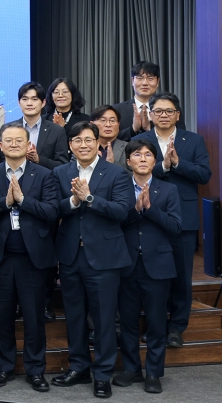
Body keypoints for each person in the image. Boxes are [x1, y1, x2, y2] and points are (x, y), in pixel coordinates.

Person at [51, 122, 132, 398]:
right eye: (77, 140)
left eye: (88, 139)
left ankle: (103, 373)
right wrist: (73, 202)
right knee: (74, 316)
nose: (83, 145)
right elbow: (54, 209)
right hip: (71, 255)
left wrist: (88, 198)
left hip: (104, 257)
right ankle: (79, 367)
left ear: (98, 143)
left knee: (103, 318)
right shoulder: (60, 172)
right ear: (70, 145)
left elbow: (122, 211)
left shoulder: (117, 173)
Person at [0, 125, 60, 393]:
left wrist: (23, 200)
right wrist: (6, 203)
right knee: (2, 316)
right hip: (2, 257)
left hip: (33, 258)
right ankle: (4, 368)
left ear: (29, 146)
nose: (14, 144)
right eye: (9, 140)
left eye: (19, 140)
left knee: (34, 317)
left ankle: (35, 370)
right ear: (0, 146)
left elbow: (52, 211)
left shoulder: (45, 174)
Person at [133, 92, 212, 348]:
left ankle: (177, 326)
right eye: (158, 111)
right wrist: (164, 167)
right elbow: (132, 171)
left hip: (183, 219)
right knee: (153, 276)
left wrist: (177, 164)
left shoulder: (194, 140)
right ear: (150, 115)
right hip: (147, 217)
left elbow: (204, 174)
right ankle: (155, 325)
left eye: (169, 111)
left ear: (178, 115)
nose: (164, 115)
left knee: (181, 275)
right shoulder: (139, 141)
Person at [113, 140, 182, 394]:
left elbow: (176, 227)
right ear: (128, 161)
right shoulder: (119, 188)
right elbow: (113, 222)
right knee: (128, 322)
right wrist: (135, 209)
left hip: (158, 265)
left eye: (148, 155)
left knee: (155, 322)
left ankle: (153, 372)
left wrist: (150, 209)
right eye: (137, 154)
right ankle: (132, 369)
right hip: (127, 264)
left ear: (155, 161)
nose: (142, 159)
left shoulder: (169, 189)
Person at [113, 61, 186, 141]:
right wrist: (133, 129)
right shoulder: (117, 110)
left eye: (150, 78)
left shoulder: (171, 109)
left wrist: (150, 129)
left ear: (158, 82)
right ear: (132, 81)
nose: (145, 83)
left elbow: (182, 138)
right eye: (140, 78)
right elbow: (110, 140)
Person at [10, 81, 70, 170]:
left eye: (34, 99)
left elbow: (62, 165)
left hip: (46, 178)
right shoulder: (9, 129)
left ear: (43, 103)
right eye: (25, 99)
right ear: (19, 102)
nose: (29, 103)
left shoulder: (57, 131)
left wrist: (39, 160)